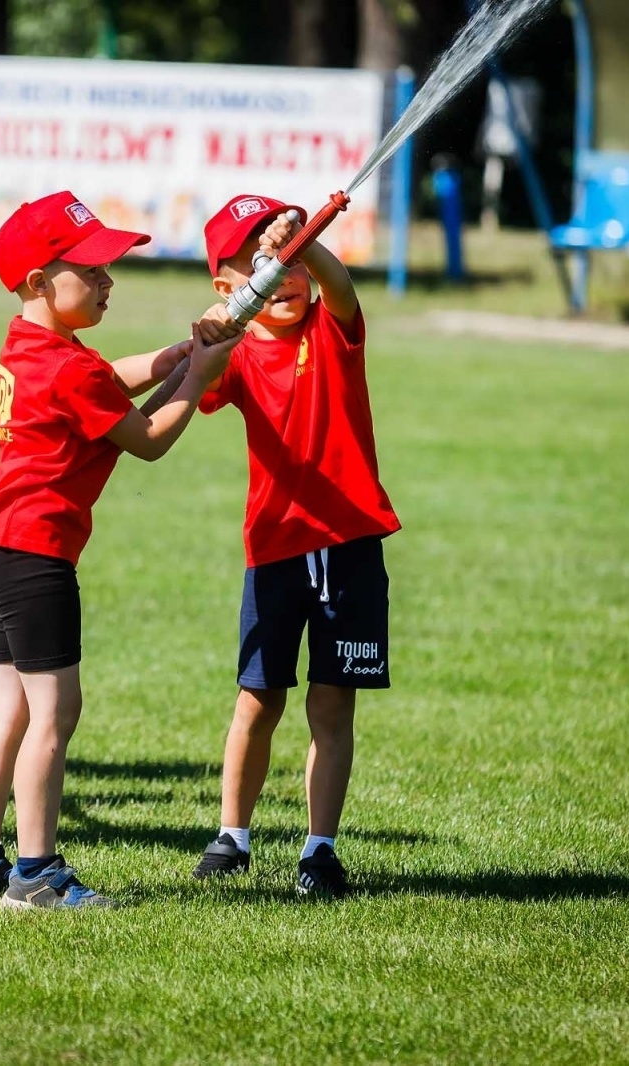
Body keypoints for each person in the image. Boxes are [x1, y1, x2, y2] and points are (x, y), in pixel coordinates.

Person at [0, 191, 242, 909]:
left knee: (8, 712)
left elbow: (109, 379)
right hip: (35, 552)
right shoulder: (68, 369)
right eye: (93, 269)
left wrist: (174, 357)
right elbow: (147, 440)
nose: (109, 281)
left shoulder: (32, 344)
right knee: (53, 714)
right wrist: (199, 377)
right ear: (39, 281)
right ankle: (36, 875)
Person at [188, 195, 401, 900]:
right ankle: (233, 835)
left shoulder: (331, 327)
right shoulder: (236, 352)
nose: (281, 276)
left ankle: (320, 848)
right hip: (274, 549)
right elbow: (200, 383)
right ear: (227, 282)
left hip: (350, 545)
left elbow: (340, 286)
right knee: (259, 699)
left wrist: (304, 245)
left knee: (332, 703)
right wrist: (218, 327)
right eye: (260, 263)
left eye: (290, 261)